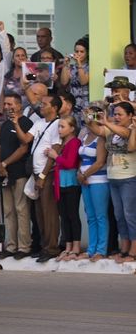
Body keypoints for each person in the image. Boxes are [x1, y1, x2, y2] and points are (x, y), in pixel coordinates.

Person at [15, 94, 62, 263]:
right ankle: (44, 247)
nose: (41, 106)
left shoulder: (57, 124)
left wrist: (42, 175)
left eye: (45, 104)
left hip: (46, 174)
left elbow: (54, 151)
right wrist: (15, 124)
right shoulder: (40, 122)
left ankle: (52, 248)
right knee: (39, 213)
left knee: (49, 212)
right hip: (36, 174)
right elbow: (26, 139)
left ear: (55, 108)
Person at [97, 102, 136, 263]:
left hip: (129, 178)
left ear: (130, 116)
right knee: (119, 215)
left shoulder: (131, 130)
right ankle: (125, 247)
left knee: (130, 215)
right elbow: (98, 130)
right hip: (113, 178)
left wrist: (107, 122)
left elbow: (132, 147)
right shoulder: (113, 131)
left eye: (120, 114)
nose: (117, 117)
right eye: (115, 114)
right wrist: (91, 118)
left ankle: (134, 250)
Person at [0, 93, 33, 259]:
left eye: (10, 104)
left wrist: (5, 164)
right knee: (8, 212)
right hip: (4, 175)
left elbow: (23, 147)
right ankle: (10, 246)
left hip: (19, 173)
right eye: (5, 104)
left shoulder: (25, 122)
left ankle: (24, 247)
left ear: (19, 105)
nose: (7, 107)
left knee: (21, 210)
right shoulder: (4, 125)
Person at [45, 115, 82, 261]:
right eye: (59, 126)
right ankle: (68, 246)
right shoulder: (62, 144)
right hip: (60, 184)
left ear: (72, 129)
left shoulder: (75, 142)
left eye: (63, 126)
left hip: (71, 183)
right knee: (64, 217)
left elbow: (70, 163)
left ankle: (76, 246)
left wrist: (55, 156)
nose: (59, 129)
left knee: (73, 215)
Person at [78, 106, 109, 261]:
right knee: (90, 216)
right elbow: (81, 158)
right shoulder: (85, 134)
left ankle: (101, 249)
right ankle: (91, 249)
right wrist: (79, 173)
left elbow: (100, 162)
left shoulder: (101, 136)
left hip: (98, 180)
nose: (86, 115)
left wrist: (84, 174)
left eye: (89, 113)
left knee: (100, 216)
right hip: (85, 180)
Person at [59, 38, 89, 117]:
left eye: (82, 52)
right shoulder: (72, 67)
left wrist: (79, 64)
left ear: (87, 53)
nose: (79, 54)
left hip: (84, 102)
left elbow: (83, 81)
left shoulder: (89, 67)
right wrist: (66, 65)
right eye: (77, 51)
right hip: (73, 101)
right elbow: (64, 82)